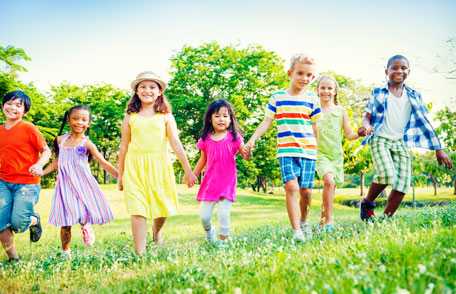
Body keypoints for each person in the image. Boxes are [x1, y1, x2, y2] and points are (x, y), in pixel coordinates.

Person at [358, 55, 453, 221]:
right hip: (380, 138)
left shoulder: (414, 96)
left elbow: (424, 122)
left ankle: (385, 220)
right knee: (387, 174)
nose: (399, 71)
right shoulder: (378, 92)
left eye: (403, 68)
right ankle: (367, 203)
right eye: (394, 68)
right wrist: (366, 126)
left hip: (399, 141)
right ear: (386, 71)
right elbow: (367, 116)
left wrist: (439, 148)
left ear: (409, 71)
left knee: (403, 184)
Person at [243, 54, 321, 242]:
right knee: (291, 187)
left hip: (308, 151)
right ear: (290, 73)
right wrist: (252, 139)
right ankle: (297, 232)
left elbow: (316, 127)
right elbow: (266, 121)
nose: (305, 78)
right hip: (286, 151)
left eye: (309, 75)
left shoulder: (312, 98)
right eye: (300, 73)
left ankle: (304, 221)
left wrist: (317, 149)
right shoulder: (277, 97)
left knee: (306, 192)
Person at [118, 71, 197, 255]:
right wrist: (120, 175)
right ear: (136, 91)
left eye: (152, 87)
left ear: (159, 91)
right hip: (135, 167)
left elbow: (176, 143)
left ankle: (157, 231)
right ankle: (140, 253)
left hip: (159, 165)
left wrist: (188, 170)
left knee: (163, 206)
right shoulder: (131, 116)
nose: (147, 90)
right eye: (143, 87)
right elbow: (123, 146)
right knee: (137, 209)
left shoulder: (166, 116)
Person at [42, 105, 117, 257]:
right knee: (65, 220)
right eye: (75, 118)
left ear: (88, 123)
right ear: (69, 120)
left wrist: (120, 176)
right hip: (64, 185)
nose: (79, 122)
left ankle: (86, 225)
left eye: (84, 120)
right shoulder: (60, 140)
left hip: (83, 184)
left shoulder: (87, 143)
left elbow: (103, 162)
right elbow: (57, 161)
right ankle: (65, 252)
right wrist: (42, 172)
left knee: (83, 213)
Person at [0, 90, 51, 262]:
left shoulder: (28, 128)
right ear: (3, 105)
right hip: (3, 182)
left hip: (27, 184)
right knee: (0, 220)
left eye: (18, 105)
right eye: (9, 103)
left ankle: (34, 220)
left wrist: (39, 164)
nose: (12, 107)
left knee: (18, 224)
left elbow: (46, 151)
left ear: (25, 111)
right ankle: (14, 258)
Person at [193, 99, 247, 243]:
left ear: (230, 119)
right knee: (204, 217)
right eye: (217, 116)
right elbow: (202, 160)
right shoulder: (205, 140)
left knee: (224, 213)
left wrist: (248, 151)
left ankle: (223, 241)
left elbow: (245, 155)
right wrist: (193, 175)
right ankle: (210, 232)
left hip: (227, 182)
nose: (221, 119)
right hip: (210, 183)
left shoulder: (235, 138)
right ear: (210, 119)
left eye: (225, 115)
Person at [315, 76, 359, 232]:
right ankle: (329, 222)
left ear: (334, 92)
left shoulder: (341, 111)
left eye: (329, 88)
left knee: (331, 187)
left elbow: (349, 134)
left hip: (336, 155)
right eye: (323, 88)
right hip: (319, 154)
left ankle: (322, 220)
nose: (326, 91)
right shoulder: (312, 110)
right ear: (317, 90)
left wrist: (360, 133)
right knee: (329, 181)